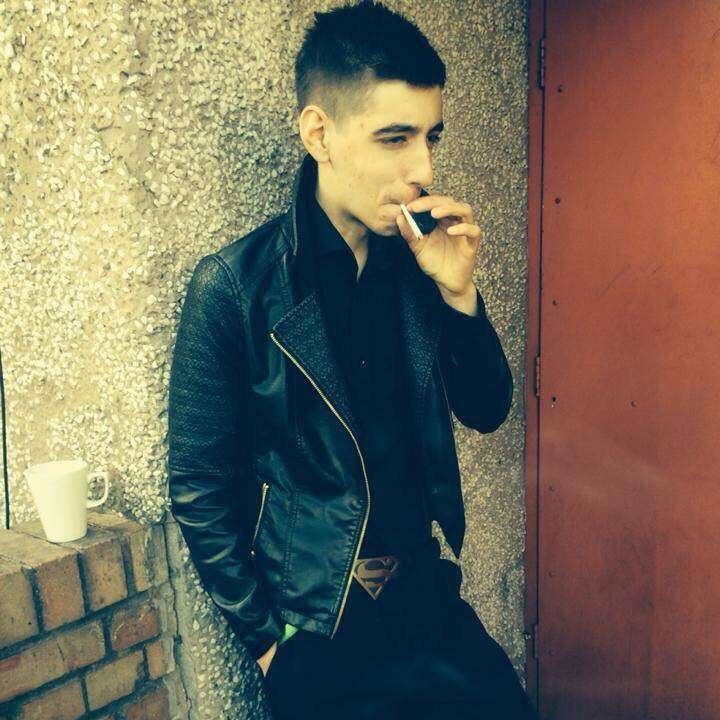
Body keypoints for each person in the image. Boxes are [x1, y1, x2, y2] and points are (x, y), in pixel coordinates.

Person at [168, 1, 538, 717]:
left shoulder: (420, 263)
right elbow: (198, 485)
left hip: (428, 605)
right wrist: (270, 643)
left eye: (430, 136)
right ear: (319, 134)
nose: (423, 168)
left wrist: (458, 294)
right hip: (319, 629)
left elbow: (487, 409)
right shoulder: (237, 287)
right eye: (395, 138)